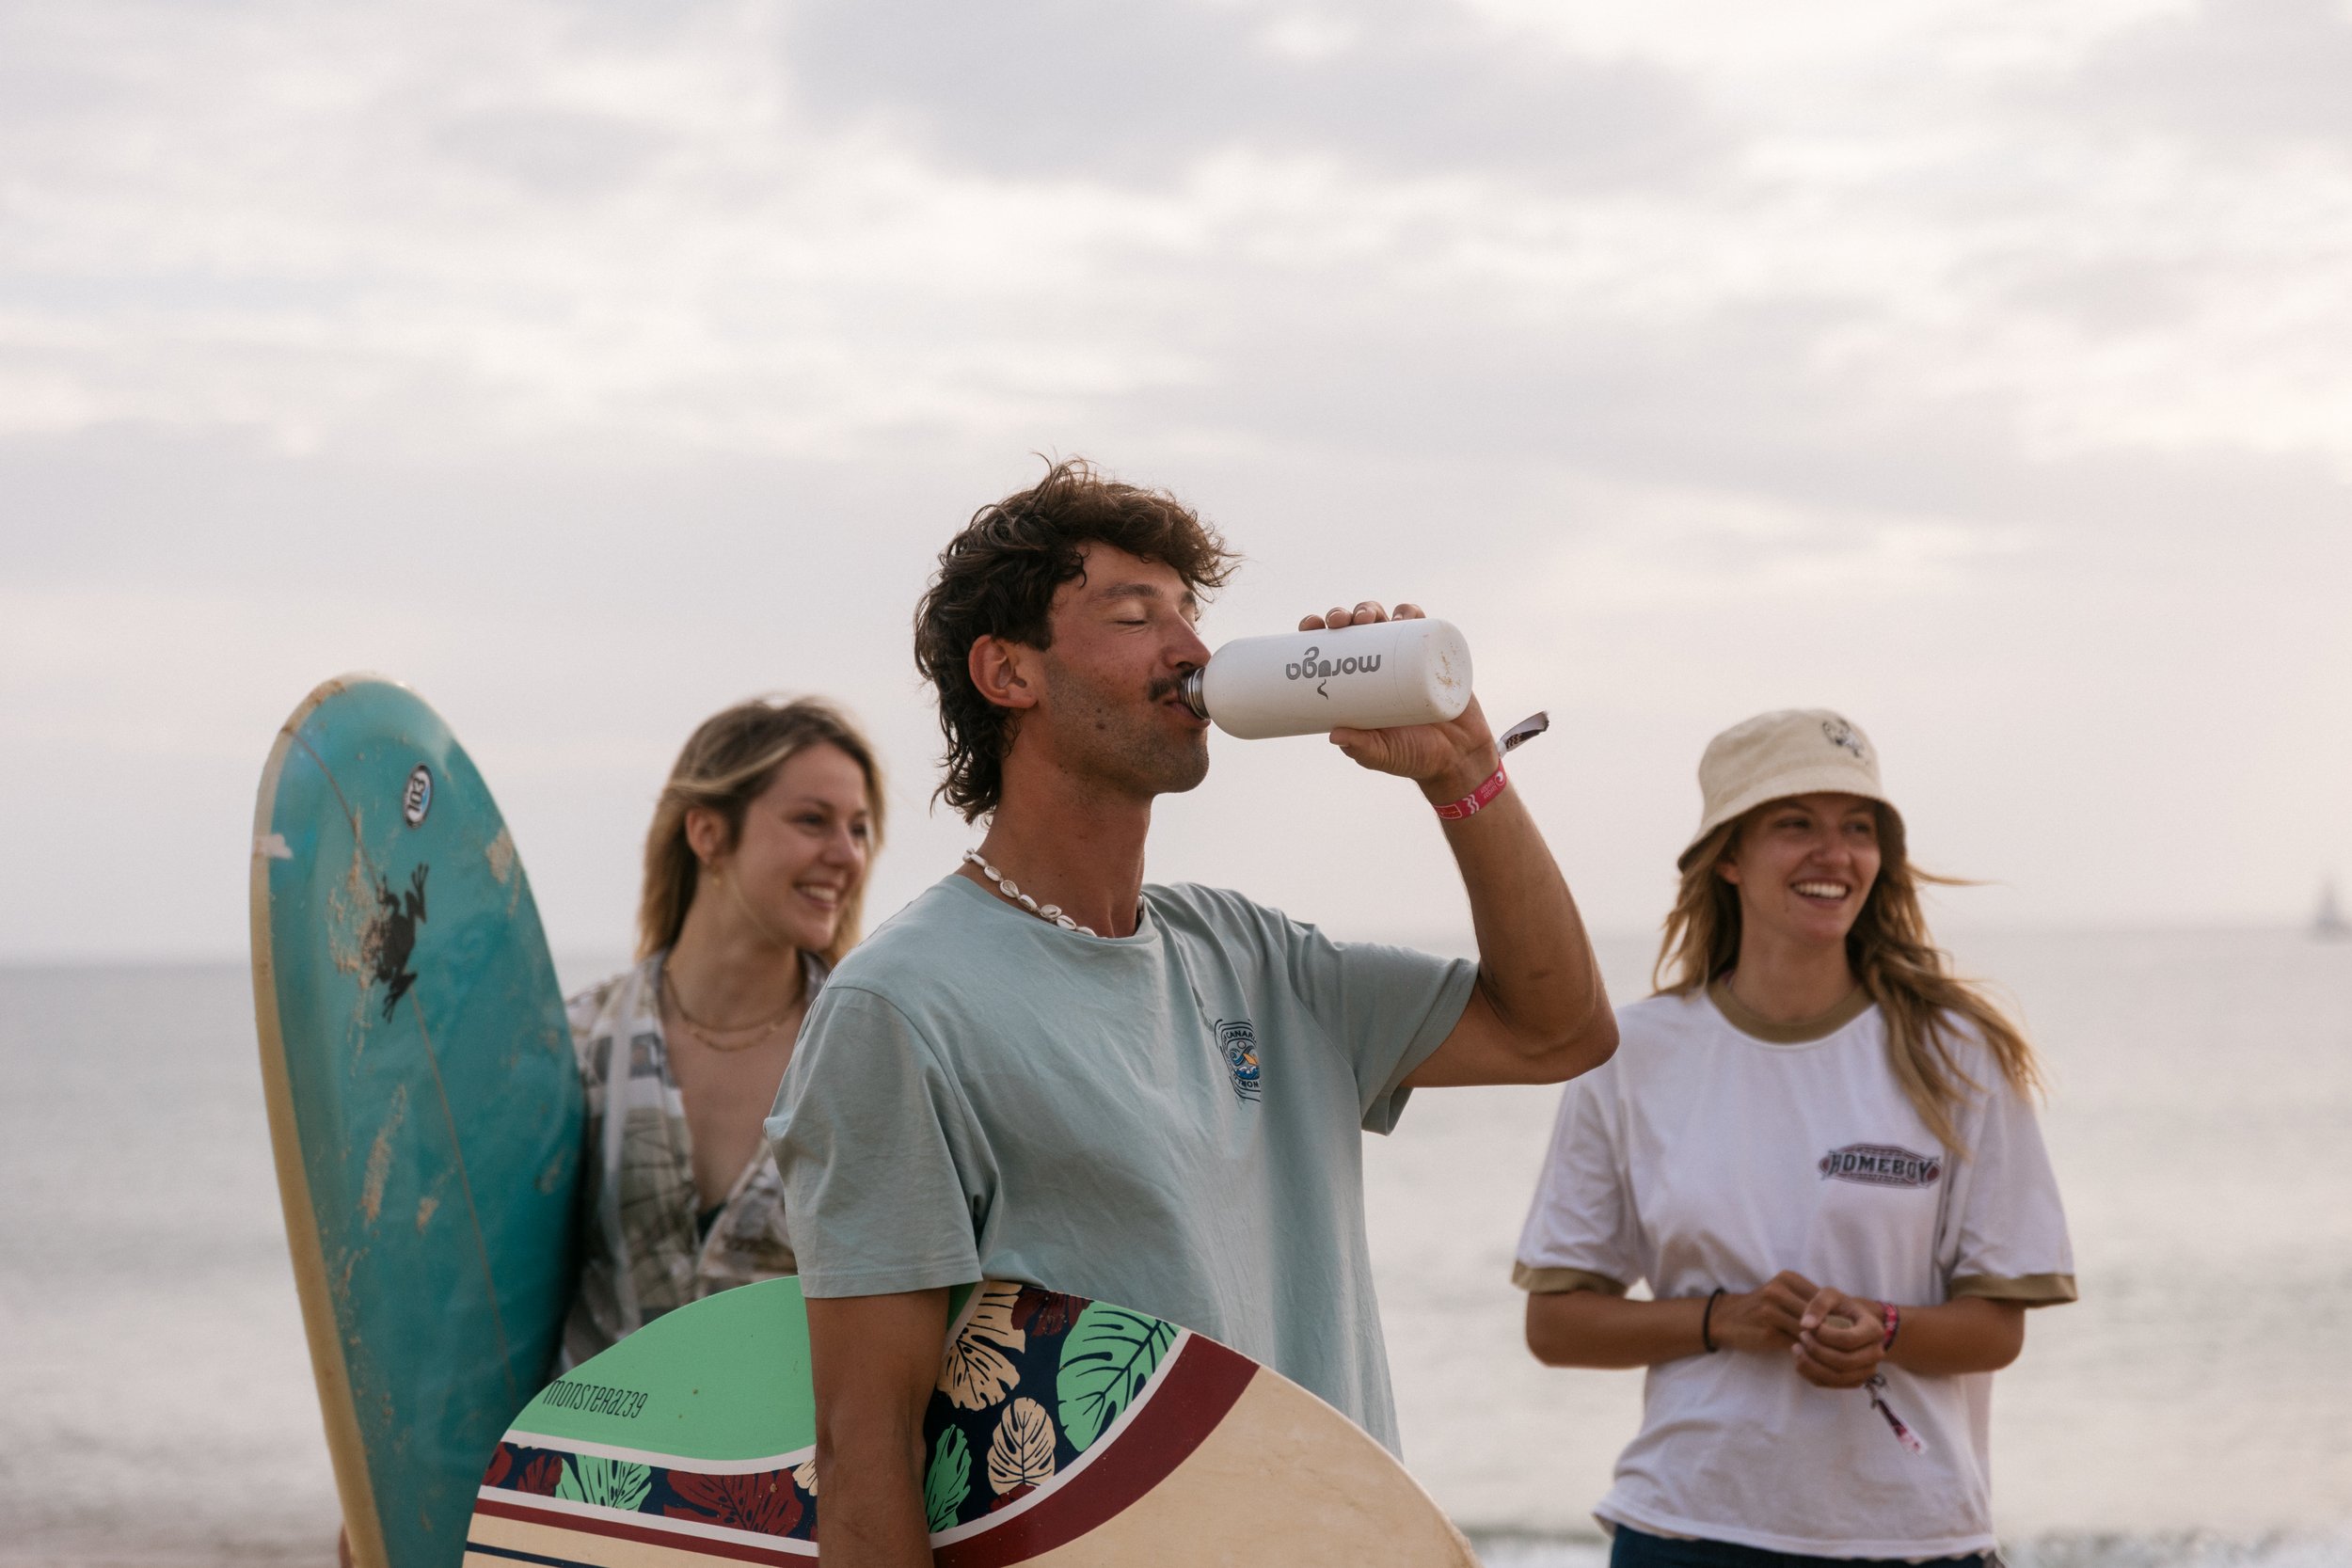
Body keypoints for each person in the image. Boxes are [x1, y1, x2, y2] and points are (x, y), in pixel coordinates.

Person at [764, 457, 1618, 1564]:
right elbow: (863, 1438)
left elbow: (1558, 1028)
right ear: (1007, 670)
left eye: (1190, 613)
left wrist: (1464, 773)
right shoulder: (901, 1006)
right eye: (1135, 613)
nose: (1192, 651)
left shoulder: (1249, 953)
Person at [1515, 709, 2075, 1566]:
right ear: (1728, 857)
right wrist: (1722, 1318)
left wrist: (1883, 1326)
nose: (1834, 853)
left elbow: (1999, 1327)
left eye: (1859, 828)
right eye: (1795, 824)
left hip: (1916, 1535)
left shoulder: (1958, 1055)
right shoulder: (1629, 1056)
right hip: (1688, 1528)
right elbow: (1557, 1324)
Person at [562, 695, 884, 1364]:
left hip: (793, 1464)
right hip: (587, 1465)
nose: (846, 855)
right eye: (812, 820)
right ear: (707, 832)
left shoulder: (874, 1058)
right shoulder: (577, 1044)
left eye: (859, 829)